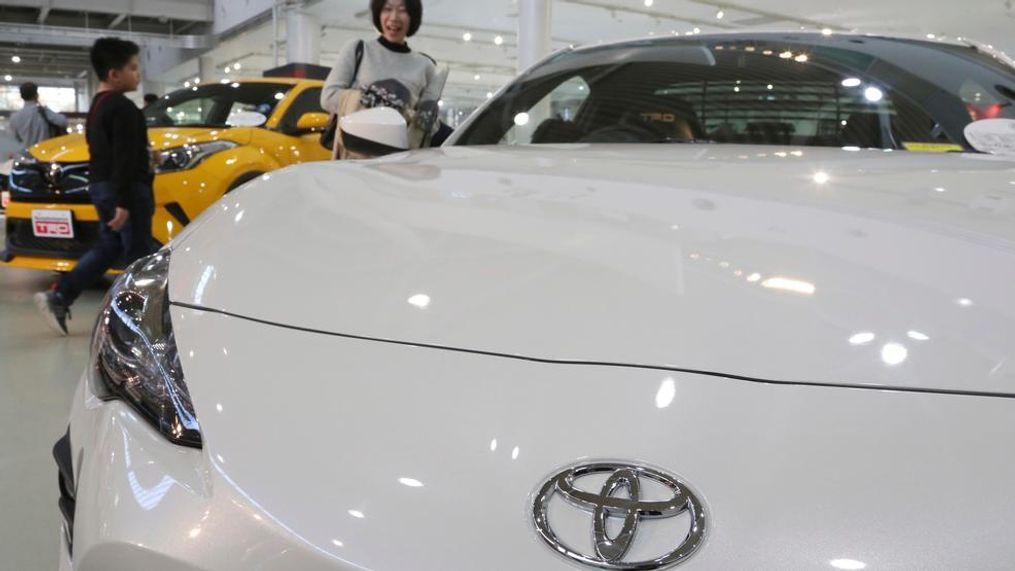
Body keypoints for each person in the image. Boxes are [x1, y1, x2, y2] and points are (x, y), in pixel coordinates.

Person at [35, 38, 155, 335]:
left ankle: (60, 296)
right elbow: (124, 159)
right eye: (133, 68)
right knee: (137, 258)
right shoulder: (124, 108)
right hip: (124, 191)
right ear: (114, 75)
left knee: (109, 246)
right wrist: (125, 202)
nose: (137, 74)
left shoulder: (99, 106)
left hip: (101, 186)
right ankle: (129, 326)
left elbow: (111, 151)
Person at [320, 0, 443, 158]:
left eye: (402, 10)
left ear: (413, 16)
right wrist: (378, 100)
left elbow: (430, 127)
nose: (394, 17)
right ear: (378, 13)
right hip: (354, 156)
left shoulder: (425, 66)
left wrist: (425, 117)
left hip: (399, 162)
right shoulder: (358, 49)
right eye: (387, 9)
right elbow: (328, 97)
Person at [9, 82, 68, 149]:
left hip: (28, 153)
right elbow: (63, 121)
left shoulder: (14, 117)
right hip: (46, 152)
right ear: (36, 95)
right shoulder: (44, 112)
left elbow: (16, 138)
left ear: (21, 96)